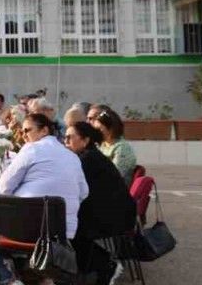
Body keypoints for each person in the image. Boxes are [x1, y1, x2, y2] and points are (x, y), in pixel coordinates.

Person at [0, 113, 88, 285]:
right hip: (61, 233)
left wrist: (23, 190)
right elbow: (84, 193)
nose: (23, 135)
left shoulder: (31, 149)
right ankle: (35, 275)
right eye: (21, 131)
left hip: (24, 230)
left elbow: (4, 187)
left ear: (44, 130)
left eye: (27, 130)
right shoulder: (72, 156)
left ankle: (7, 277)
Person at [66, 121, 136, 285]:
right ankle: (86, 270)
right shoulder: (88, 156)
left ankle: (105, 265)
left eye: (70, 137)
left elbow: (72, 187)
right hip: (108, 211)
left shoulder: (88, 159)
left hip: (114, 216)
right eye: (65, 137)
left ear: (85, 140)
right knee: (68, 224)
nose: (65, 141)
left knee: (68, 227)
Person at [89, 106, 138, 185]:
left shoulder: (122, 149)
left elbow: (114, 176)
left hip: (114, 189)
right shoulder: (102, 145)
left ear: (111, 129)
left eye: (99, 129)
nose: (96, 132)